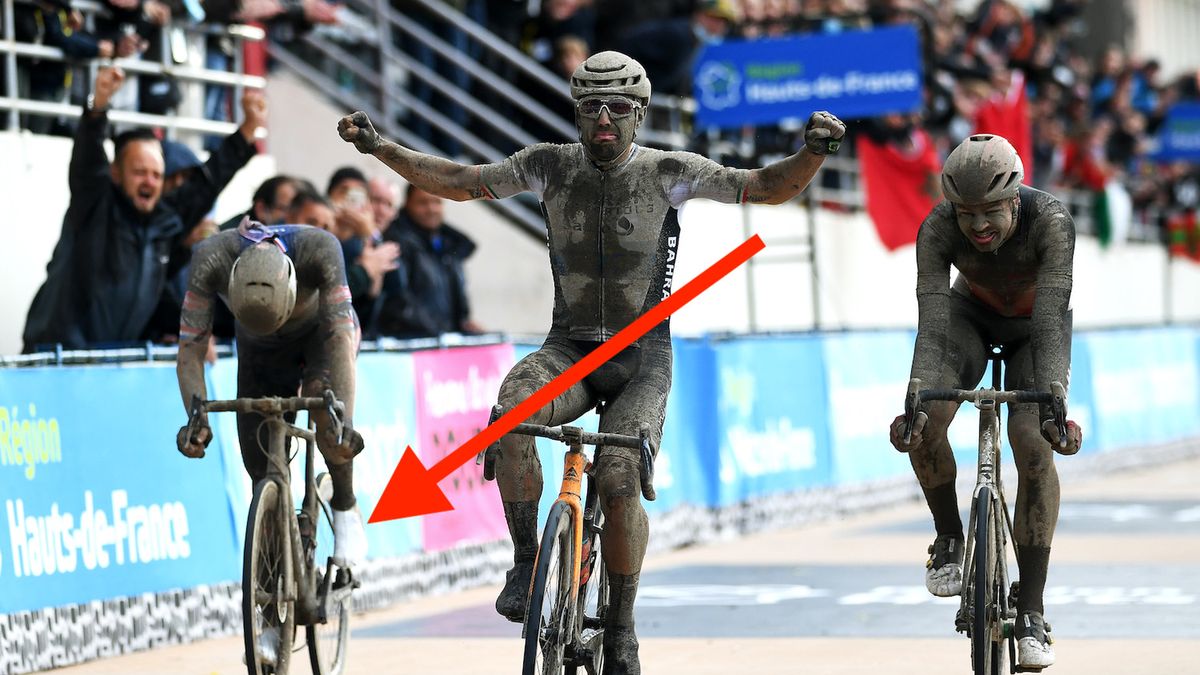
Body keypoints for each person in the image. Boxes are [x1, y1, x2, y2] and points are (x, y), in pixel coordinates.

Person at [338, 51, 845, 673]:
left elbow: (765, 188)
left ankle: (624, 626)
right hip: (569, 346)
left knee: (617, 479)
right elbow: (459, 181)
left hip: (642, 358)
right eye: (589, 107)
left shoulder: (670, 171)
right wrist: (380, 149)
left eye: (618, 109)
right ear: (576, 112)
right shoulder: (547, 165)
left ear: (641, 115)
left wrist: (813, 154)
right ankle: (527, 561)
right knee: (510, 414)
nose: (603, 118)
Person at [888, 134, 1084, 670]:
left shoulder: (1051, 221)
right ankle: (949, 536)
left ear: (1015, 198)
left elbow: (1048, 318)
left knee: (1031, 441)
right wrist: (914, 398)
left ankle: (1033, 611)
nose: (976, 227)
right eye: (965, 213)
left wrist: (1054, 405)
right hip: (966, 318)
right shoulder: (937, 226)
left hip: (1032, 329)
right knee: (926, 420)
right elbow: (931, 325)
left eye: (990, 212)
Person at [22, 66, 262, 353]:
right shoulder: (95, 206)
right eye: (139, 172)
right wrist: (97, 107)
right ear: (116, 174)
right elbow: (87, 160)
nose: (149, 181)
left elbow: (204, 184)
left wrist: (248, 129)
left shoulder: (163, 221)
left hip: (116, 364)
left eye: (156, 175)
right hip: (56, 360)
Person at [174, 219, 368, 573]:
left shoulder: (320, 249)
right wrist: (196, 416)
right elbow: (189, 349)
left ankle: (344, 506)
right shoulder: (208, 257)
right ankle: (272, 550)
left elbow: (340, 340)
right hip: (258, 347)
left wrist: (344, 420)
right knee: (258, 461)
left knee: (323, 406)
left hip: (321, 333)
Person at [375, 186, 481, 338]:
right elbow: (398, 303)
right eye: (423, 203)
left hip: (444, 343)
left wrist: (462, 325)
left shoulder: (448, 245)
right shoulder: (396, 242)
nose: (431, 209)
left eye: (437, 202)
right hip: (414, 345)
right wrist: (438, 333)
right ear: (407, 204)